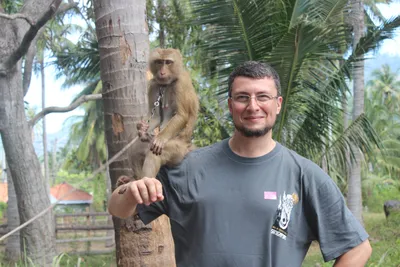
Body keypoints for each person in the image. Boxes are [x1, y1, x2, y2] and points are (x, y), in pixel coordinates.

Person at [108, 61, 372, 267]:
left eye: (263, 97)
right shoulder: (187, 167)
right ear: (230, 105)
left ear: (278, 104)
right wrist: (130, 191)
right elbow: (118, 209)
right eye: (243, 97)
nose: (253, 106)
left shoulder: (304, 175)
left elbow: (358, 247)